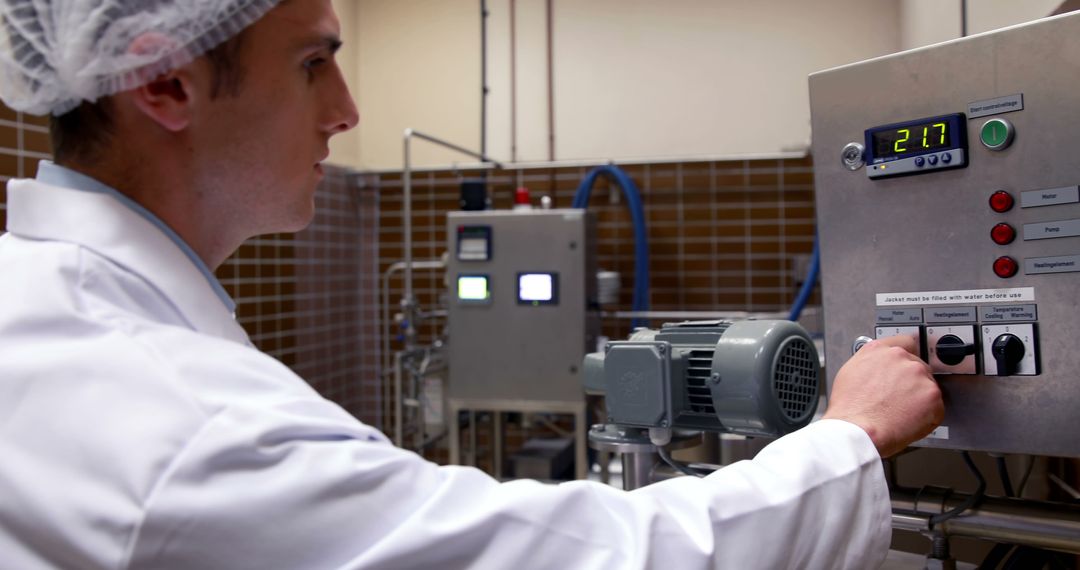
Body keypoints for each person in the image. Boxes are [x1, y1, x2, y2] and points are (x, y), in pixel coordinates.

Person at [0, 1, 944, 568]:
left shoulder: (39, 308)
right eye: (314, 62)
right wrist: (849, 437)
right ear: (161, 82)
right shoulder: (188, 423)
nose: (347, 110)